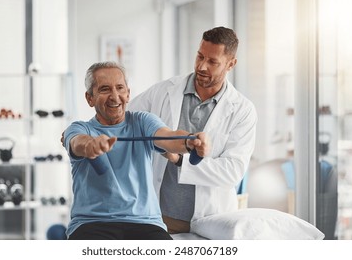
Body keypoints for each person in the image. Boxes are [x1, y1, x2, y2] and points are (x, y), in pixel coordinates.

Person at [128, 26, 257, 234]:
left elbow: (232, 171)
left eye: (213, 61)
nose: (202, 66)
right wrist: (85, 132)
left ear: (231, 64)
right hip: (159, 217)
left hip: (209, 220)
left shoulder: (242, 110)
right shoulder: (164, 90)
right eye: (199, 56)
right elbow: (124, 119)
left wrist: (180, 159)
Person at [62, 61, 210, 240]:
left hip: (145, 223)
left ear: (128, 93)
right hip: (92, 223)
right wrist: (91, 146)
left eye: (120, 88)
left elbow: (168, 137)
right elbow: (78, 143)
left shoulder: (142, 121)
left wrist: (190, 141)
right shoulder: (80, 128)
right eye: (105, 89)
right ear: (89, 98)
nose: (115, 96)